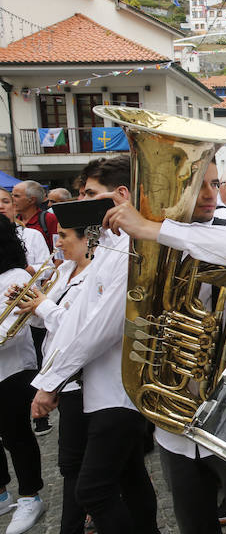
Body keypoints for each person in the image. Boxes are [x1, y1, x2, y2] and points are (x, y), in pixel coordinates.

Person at [96, 160, 226, 534]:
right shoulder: (142, 233)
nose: (209, 195)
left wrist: (151, 229)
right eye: (197, 186)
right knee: (192, 520)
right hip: (172, 415)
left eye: (214, 184)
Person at [30, 156, 161, 534]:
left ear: (120, 195)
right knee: (130, 478)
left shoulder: (128, 247)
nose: (81, 199)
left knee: (93, 490)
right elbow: (78, 321)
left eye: (89, 193)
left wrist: (51, 380)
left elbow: (101, 327)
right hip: (106, 388)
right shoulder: (109, 245)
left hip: (119, 390)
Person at [15, 225, 93, 534]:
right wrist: (30, 305)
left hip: (78, 378)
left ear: (87, 239)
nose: (57, 242)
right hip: (62, 373)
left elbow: (78, 328)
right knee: (81, 461)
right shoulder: (65, 271)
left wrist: (43, 305)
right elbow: (47, 320)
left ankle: (74, 524)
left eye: (64, 236)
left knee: (72, 462)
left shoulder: (95, 273)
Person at [0, 216, 46, 534]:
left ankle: (30, 495)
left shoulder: (15, 275)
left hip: (13, 369)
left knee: (16, 435)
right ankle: (2, 493)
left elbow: (13, 329)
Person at [12, 181, 57, 252]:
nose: (12, 199)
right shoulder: (13, 221)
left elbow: (59, 253)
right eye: (12, 195)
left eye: (16, 196)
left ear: (32, 200)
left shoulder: (50, 219)